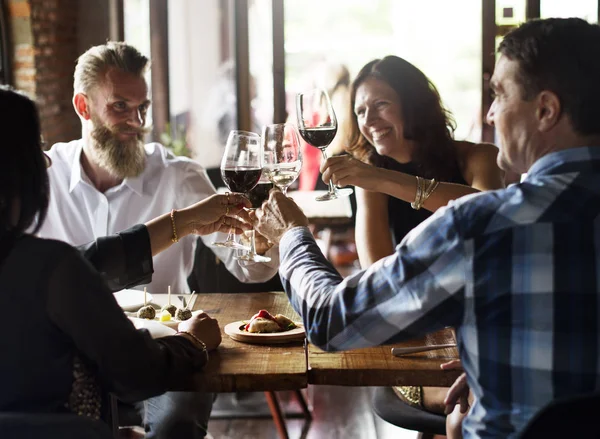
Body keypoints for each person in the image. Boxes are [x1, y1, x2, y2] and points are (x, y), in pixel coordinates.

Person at [255, 17, 600, 438]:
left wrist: (292, 234)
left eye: (499, 94)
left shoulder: (480, 225)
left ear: (546, 110)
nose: (490, 112)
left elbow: (332, 318)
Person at [35, 41, 278, 438]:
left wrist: (266, 239)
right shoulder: (44, 179)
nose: (136, 121)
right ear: (83, 106)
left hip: (167, 351)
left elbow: (250, 269)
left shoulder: (179, 176)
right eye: (120, 107)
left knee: (177, 421)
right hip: (71, 356)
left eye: (142, 108)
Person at [0, 86, 249, 437]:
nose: (46, 160)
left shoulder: (47, 264)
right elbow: (136, 374)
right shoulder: (51, 267)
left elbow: (92, 260)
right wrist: (191, 342)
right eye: (35, 149)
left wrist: (183, 221)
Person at [319, 54, 505, 433]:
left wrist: (383, 180)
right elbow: (380, 278)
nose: (368, 121)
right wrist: (375, 181)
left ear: (415, 104)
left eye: (381, 104)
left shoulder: (478, 158)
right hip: (415, 347)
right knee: (472, 408)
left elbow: (489, 214)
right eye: (361, 111)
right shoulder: (372, 180)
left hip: (488, 336)